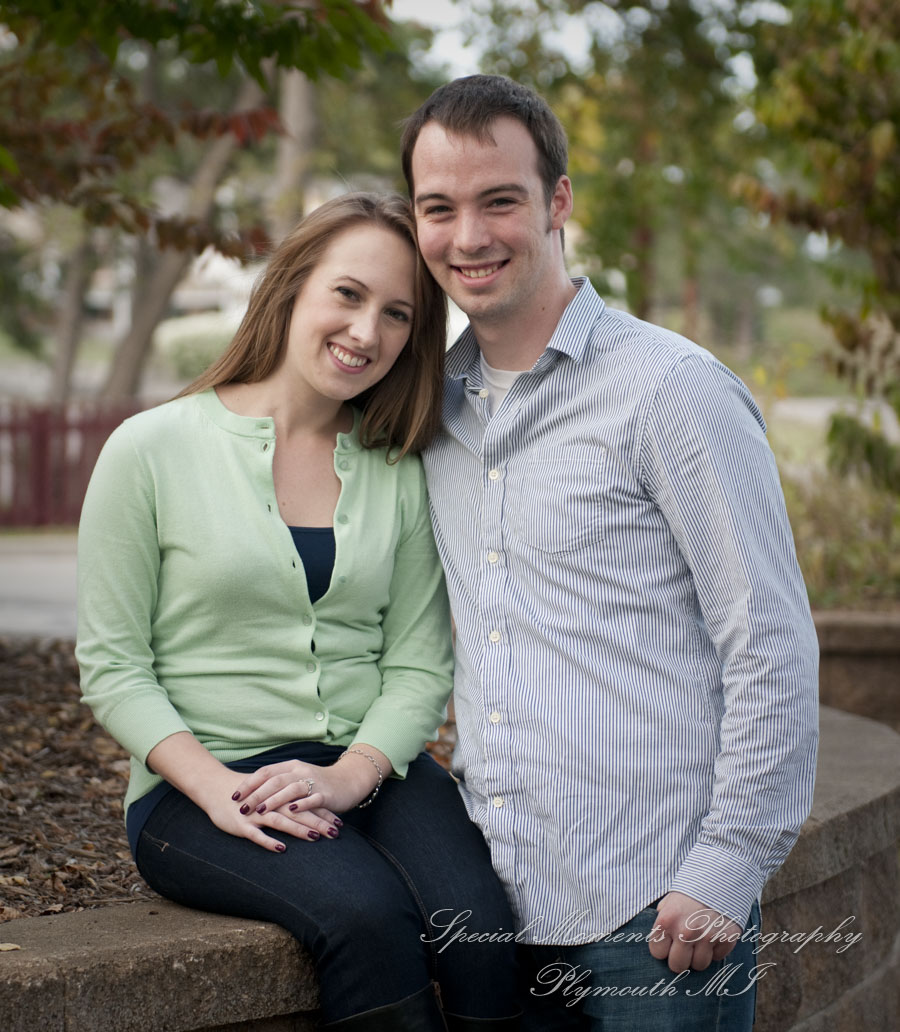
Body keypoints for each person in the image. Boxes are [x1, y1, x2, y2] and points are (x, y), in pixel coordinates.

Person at [400, 75, 820, 1030]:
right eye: (439, 208)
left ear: (557, 201)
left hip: (660, 908)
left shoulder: (672, 391)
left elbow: (770, 641)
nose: (468, 236)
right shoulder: (431, 409)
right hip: (500, 909)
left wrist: (726, 867)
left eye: (499, 200)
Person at [76, 192, 521, 1031]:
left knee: (481, 930)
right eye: (347, 294)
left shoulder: (398, 468)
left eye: (397, 314)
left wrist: (348, 776)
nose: (366, 331)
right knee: (367, 917)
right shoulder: (150, 449)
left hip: (368, 767)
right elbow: (113, 666)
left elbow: (417, 663)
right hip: (199, 787)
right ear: (290, 287)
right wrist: (217, 789)